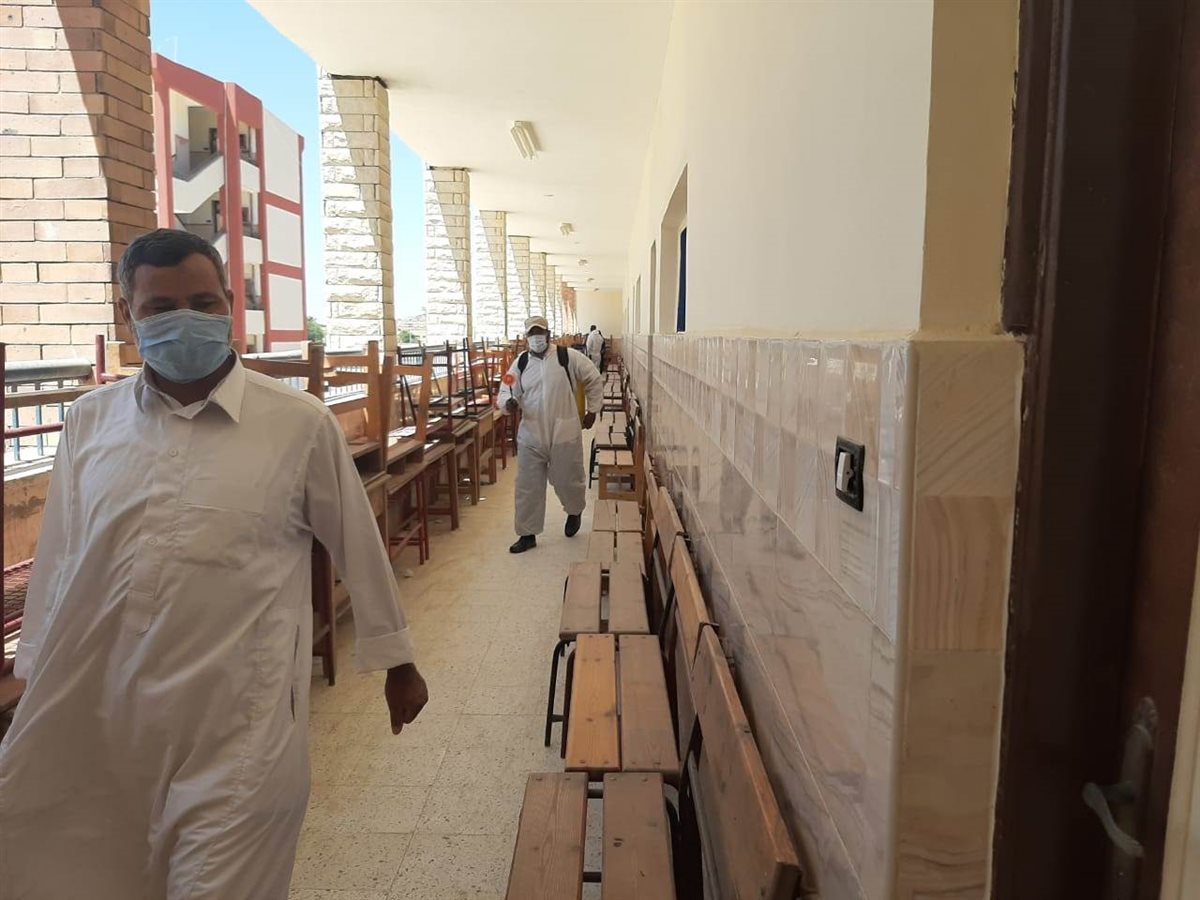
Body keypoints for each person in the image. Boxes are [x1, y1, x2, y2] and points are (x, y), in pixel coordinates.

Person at [0, 229, 429, 900]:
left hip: (239, 727)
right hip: (107, 710)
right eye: (160, 307)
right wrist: (34, 672)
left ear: (230, 303)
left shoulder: (298, 423)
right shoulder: (90, 421)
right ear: (128, 316)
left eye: (202, 302)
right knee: (90, 867)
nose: (185, 320)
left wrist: (397, 660)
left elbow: (356, 540)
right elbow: (58, 555)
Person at [499, 316, 604, 553]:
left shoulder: (568, 357)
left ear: (548, 334)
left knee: (568, 480)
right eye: (531, 333)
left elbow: (593, 378)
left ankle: (574, 511)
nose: (536, 337)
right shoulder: (520, 363)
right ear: (526, 337)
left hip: (563, 432)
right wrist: (508, 403)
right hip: (531, 435)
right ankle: (527, 534)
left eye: (540, 332)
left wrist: (593, 409)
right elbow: (506, 387)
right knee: (527, 486)